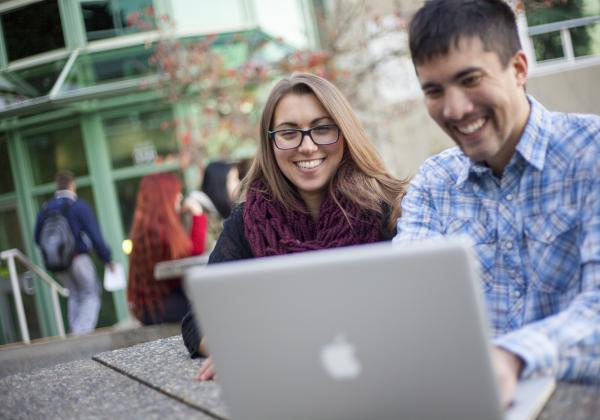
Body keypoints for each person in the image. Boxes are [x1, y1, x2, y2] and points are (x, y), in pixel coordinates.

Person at [394, 0, 600, 407]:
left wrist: (510, 358)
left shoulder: (592, 153)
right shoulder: (434, 184)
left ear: (519, 69)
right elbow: (410, 305)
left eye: (470, 79)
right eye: (434, 90)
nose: (454, 109)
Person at [182, 72, 407, 380]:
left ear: (345, 133)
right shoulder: (250, 221)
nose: (307, 146)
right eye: (289, 133)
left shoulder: (391, 209)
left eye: (322, 128)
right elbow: (199, 321)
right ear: (270, 143)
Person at [34, 170, 113, 335]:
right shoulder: (78, 206)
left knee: (75, 294)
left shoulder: (46, 208)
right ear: (72, 185)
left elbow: (37, 238)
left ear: (57, 185)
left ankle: (73, 332)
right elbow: (95, 235)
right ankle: (81, 333)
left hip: (58, 263)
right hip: (78, 259)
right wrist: (106, 258)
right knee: (91, 293)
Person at [127, 172, 205, 325]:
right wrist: (198, 216)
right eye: (176, 192)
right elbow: (193, 257)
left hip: (150, 307)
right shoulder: (161, 231)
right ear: (165, 197)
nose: (180, 197)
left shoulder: (146, 229)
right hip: (162, 307)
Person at [189, 160, 241, 251]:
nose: (239, 183)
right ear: (219, 184)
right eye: (234, 179)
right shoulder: (196, 212)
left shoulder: (218, 211)